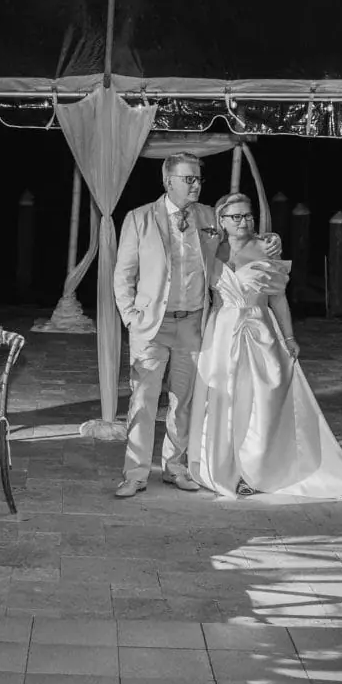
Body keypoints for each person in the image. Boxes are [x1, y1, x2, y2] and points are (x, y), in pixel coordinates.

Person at [185, 194, 342, 501]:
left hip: (258, 330)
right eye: (237, 217)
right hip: (222, 332)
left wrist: (289, 337)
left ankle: (258, 469)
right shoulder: (212, 247)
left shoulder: (266, 248)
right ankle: (223, 465)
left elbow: (278, 298)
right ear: (222, 220)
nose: (244, 222)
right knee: (223, 400)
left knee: (262, 402)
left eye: (248, 215)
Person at [110, 152, 217, 496]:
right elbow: (123, 274)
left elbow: (233, 250)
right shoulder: (139, 218)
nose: (196, 184)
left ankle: (175, 467)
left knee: (183, 400)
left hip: (192, 325)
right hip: (152, 326)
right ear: (168, 181)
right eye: (189, 179)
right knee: (142, 401)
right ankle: (136, 473)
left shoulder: (209, 217)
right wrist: (131, 317)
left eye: (198, 178)